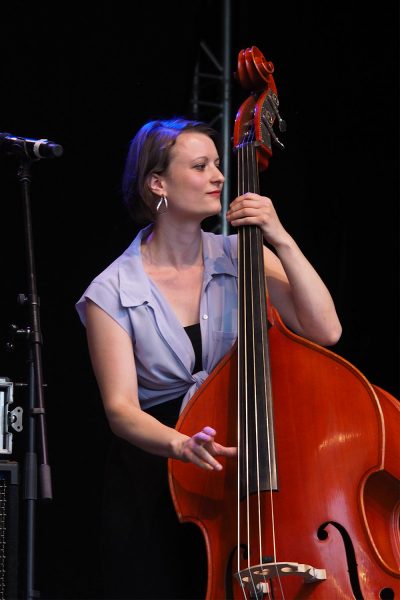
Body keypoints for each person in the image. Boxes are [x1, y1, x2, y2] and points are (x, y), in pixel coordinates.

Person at [75, 116, 342, 599]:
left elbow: (325, 330)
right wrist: (181, 446)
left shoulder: (245, 255)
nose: (220, 177)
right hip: (154, 481)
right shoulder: (110, 290)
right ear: (158, 183)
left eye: (218, 164)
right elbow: (120, 410)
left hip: (239, 470)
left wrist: (279, 236)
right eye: (201, 166)